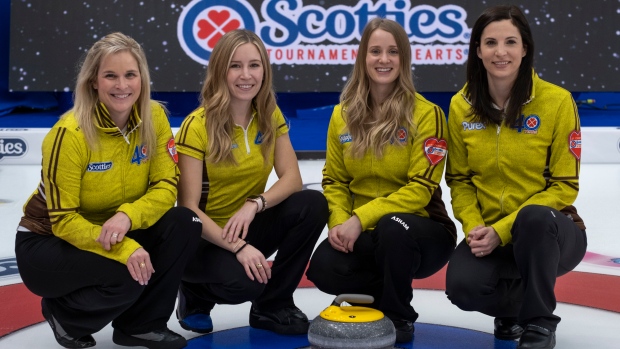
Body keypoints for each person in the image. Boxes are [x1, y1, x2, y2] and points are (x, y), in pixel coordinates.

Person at [14, 32, 202, 349]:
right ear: (93, 82)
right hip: (48, 241)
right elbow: (63, 220)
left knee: (185, 223)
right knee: (127, 273)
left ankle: (141, 326)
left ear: (142, 78)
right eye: (110, 76)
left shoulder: (154, 116)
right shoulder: (69, 134)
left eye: (130, 74)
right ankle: (64, 314)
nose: (122, 85)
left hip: (116, 227)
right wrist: (126, 249)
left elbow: (166, 185)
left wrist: (127, 217)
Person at [305, 18, 457, 343]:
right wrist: (340, 222)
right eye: (375, 51)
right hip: (365, 232)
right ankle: (377, 294)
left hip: (420, 230)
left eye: (392, 52)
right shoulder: (341, 115)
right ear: (363, 58)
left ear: (404, 59)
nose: (383, 59)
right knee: (323, 268)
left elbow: (420, 189)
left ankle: (399, 317)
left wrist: (360, 219)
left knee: (392, 226)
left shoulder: (427, 115)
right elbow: (334, 180)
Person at [444, 5, 587, 349]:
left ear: (525, 49)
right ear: (478, 50)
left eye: (511, 42)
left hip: (549, 232)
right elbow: (460, 180)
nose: (501, 52)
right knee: (461, 287)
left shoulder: (557, 101)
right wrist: (476, 227)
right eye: (491, 43)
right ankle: (511, 312)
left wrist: (502, 230)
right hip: (490, 232)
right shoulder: (461, 105)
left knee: (533, 217)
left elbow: (565, 185)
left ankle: (539, 325)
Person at [174, 29, 328, 336]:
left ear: (265, 71)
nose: (246, 75)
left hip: (243, 224)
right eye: (235, 66)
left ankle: (274, 304)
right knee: (246, 284)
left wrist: (254, 204)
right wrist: (239, 246)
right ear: (220, 70)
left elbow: (293, 179)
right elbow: (188, 209)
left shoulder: (269, 115)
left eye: (254, 65)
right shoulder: (197, 125)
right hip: (205, 240)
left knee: (312, 204)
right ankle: (195, 292)